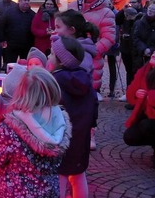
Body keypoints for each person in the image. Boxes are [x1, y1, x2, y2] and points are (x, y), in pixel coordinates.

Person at [0, 68, 72, 198]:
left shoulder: (10, 128)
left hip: (11, 192)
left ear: (21, 93)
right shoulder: (60, 121)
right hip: (48, 191)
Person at [46, 35, 96, 198]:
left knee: (59, 176)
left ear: (60, 60)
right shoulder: (85, 79)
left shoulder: (54, 81)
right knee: (78, 174)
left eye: (52, 54)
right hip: (81, 136)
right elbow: (93, 105)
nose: (49, 56)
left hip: (60, 137)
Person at [74, 0, 116, 99]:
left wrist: (93, 51)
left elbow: (108, 37)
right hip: (71, 52)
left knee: (89, 92)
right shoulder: (74, 6)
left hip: (92, 55)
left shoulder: (106, 13)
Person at [0, 0, 36, 68]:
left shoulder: (33, 15)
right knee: (10, 66)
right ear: (20, 1)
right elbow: (1, 26)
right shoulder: (9, 12)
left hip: (26, 46)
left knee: (24, 67)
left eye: (28, 0)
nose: (26, 2)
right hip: (12, 45)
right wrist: (1, 39)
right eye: (25, 0)